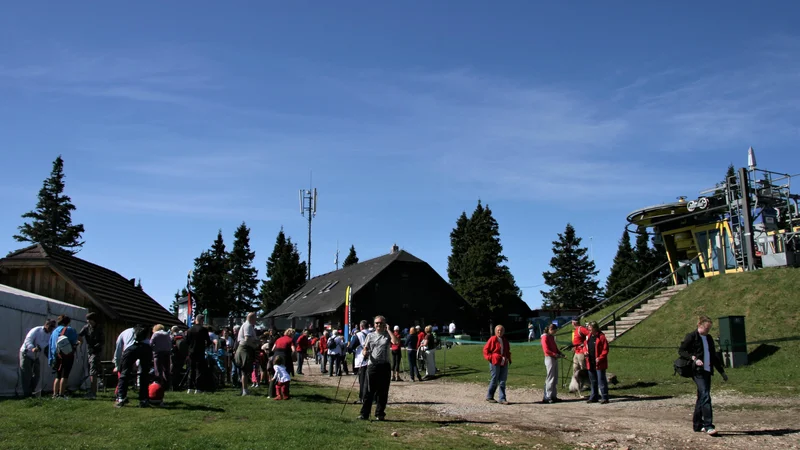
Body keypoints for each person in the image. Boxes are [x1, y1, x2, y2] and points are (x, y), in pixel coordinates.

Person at [679, 315, 728, 436]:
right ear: (700, 326)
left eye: (709, 328)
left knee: (701, 396)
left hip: (707, 370)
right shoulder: (692, 336)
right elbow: (681, 350)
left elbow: (713, 356)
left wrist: (721, 372)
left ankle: (697, 425)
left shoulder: (709, 338)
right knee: (706, 395)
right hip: (697, 371)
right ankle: (708, 425)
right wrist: (693, 358)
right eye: (706, 328)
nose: (708, 331)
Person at [358, 315, 401, 421]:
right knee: (369, 391)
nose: (378, 325)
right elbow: (365, 348)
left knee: (383, 391)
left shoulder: (387, 335)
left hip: (384, 365)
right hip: (372, 365)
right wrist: (365, 353)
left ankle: (380, 413)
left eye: (381, 323)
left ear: (384, 324)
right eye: (377, 323)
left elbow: (395, 342)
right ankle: (365, 414)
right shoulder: (370, 335)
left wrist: (389, 330)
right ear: (374, 324)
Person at [114, 324, 153, 408]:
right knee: (144, 374)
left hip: (131, 348)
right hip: (146, 348)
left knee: (124, 373)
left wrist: (117, 365)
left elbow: (118, 350)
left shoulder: (124, 332)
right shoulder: (144, 331)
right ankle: (144, 399)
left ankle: (121, 398)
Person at [19, 319, 56, 398]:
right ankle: (27, 395)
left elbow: (47, 348)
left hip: (36, 356)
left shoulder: (50, 335)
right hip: (26, 354)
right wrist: (32, 348)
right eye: (51, 326)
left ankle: (32, 392)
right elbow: (28, 340)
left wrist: (52, 359)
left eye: (53, 327)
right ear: (46, 325)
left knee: (37, 375)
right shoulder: (36, 330)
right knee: (26, 375)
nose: (52, 328)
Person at [49, 315, 79, 399]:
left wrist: (50, 358)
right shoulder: (70, 330)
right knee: (65, 375)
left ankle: (55, 394)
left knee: (57, 376)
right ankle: (61, 395)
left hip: (56, 355)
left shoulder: (54, 331)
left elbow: (51, 345)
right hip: (67, 355)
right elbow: (74, 341)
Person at [78, 312, 104, 399]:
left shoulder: (99, 328)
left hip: (96, 352)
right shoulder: (86, 327)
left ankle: (93, 393)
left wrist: (95, 347)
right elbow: (79, 335)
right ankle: (92, 391)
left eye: (90, 320)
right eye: (88, 320)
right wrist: (80, 342)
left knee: (93, 372)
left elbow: (102, 341)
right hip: (89, 351)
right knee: (91, 371)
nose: (89, 322)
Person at [483, 324, 511, 404]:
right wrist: (490, 357)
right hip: (495, 362)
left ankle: (502, 398)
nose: (500, 332)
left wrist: (508, 358)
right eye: (498, 330)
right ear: (495, 331)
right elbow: (485, 350)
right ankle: (490, 396)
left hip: (504, 361)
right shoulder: (492, 339)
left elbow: (507, 350)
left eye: (501, 330)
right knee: (495, 379)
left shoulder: (505, 340)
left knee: (502, 380)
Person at [185, 315, 212, 394]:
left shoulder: (189, 330)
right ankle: (198, 388)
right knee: (199, 370)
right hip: (200, 351)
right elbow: (208, 341)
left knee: (191, 369)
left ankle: (190, 388)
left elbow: (187, 342)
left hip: (191, 352)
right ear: (201, 320)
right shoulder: (203, 329)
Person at [585, 321, 609, 404]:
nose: (589, 330)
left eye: (590, 329)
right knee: (593, 381)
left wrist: (600, 358)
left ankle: (604, 397)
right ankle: (594, 396)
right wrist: (585, 352)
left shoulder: (601, 337)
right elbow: (585, 346)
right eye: (588, 329)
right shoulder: (588, 336)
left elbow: (605, 350)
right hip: (590, 361)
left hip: (599, 362)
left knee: (601, 380)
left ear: (595, 328)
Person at [235, 312, 259, 396]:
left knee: (245, 371)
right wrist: (255, 346)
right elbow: (247, 339)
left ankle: (244, 389)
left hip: (244, 348)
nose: (256, 320)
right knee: (244, 371)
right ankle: (244, 390)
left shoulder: (248, 325)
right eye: (255, 318)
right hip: (245, 349)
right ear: (251, 318)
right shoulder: (248, 326)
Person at [540, 324, 565, 403]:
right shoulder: (545, 337)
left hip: (554, 358)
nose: (555, 332)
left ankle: (553, 395)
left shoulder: (551, 337)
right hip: (549, 358)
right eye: (554, 330)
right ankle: (547, 396)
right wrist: (555, 354)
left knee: (555, 377)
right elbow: (546, 350)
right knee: (550, 377)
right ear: (550, 329)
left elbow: (555, 347)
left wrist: (559, 353)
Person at [567, 317, 590, 396]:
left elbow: (589, 335)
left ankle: (586, 384)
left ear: (574, 322)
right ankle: (575, 386)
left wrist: (585, 343)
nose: (572, 324)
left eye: (572, 322)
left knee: (583, 369)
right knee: (575, 368)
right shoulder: (575, 330)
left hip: (581, 352)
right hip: (576, 351)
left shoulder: (581, 329)